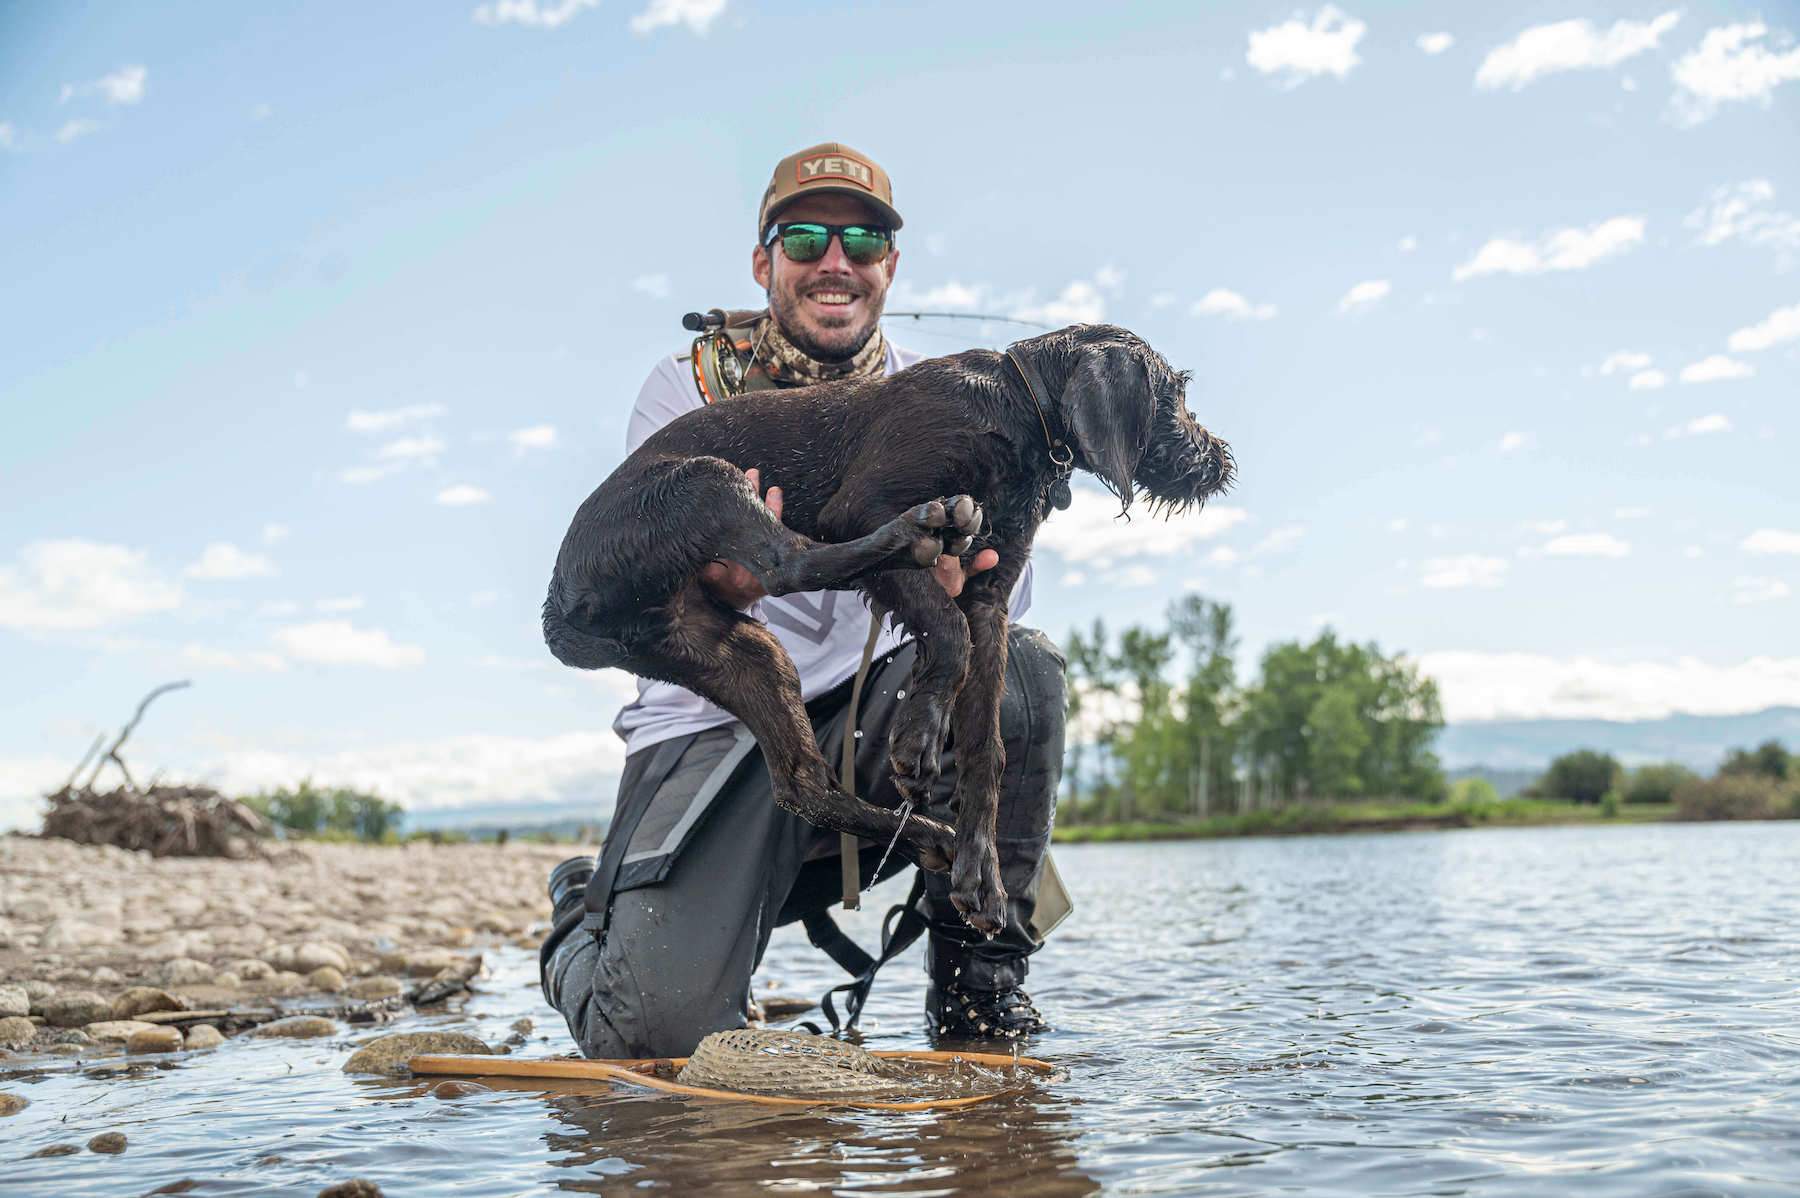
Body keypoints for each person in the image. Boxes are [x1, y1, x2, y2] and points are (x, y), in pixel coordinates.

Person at [538, 141, 1067, 1058]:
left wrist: (967, 571)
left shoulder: (948, 395)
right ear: (764, 262)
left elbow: (1019, 584)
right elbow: (652, 595)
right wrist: (737, 575)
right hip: (715, 722)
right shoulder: (682, 390)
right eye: (807, 236)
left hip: (873, 722)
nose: (837, 260)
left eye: (863, 240)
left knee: (1018, 669)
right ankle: (583, 914)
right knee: (652, 1043)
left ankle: (980, 1001)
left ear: (890, 268)